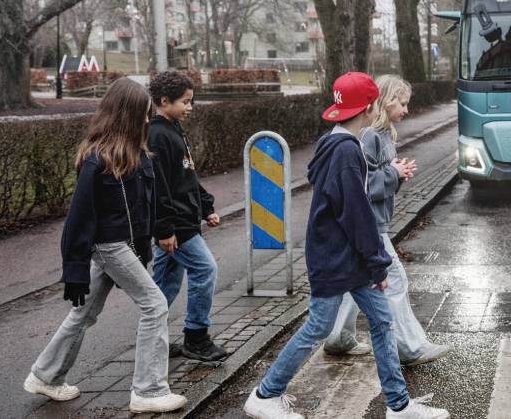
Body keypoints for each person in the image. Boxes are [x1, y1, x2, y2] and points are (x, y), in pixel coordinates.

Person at [244, 72, 449, 419]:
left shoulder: (336, 144)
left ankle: (398, 406)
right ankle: (266, 393)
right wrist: (377, 262)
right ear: (369, 107)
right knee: (318, 327)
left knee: (383, 321)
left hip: (344, 257)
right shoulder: (345, 153)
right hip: (336, 258)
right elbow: (356, 214)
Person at [24, 78, 187, 414]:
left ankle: (46, 376)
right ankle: (148, 390)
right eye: (143, 114)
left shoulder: (139, 156)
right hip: (109, 247)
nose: (147, 120)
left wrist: (147, 246)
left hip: (126, 246)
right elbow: (78, 219)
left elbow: (145, 209)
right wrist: (75, 271)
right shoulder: (97, 160)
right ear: (126, 114)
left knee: (85, 313)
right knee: (155, 305)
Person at [324, 75, 450, 367]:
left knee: (354, 282)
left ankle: (338, 339)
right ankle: (409, 348)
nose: (406, 110)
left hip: (365, 224)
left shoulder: (380, 134)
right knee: (394, 281)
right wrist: (394, 173)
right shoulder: (369, 136)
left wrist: (396, 173)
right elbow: (360, 187)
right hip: (367, 226)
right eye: (402, 103)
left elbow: (375, 180)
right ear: (386, 101)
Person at [147, 71, 226, 362]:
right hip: (176, 226)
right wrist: (164, 228)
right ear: (164, 101)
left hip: (181, 221)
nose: (190, 107)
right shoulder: (156, 135)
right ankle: (196, 337)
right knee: (205, 270)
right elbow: (158, 186)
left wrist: (206, 207)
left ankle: (153, 341)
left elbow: (187, 176)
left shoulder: (174, 130)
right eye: (185, 102)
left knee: (164, 285)